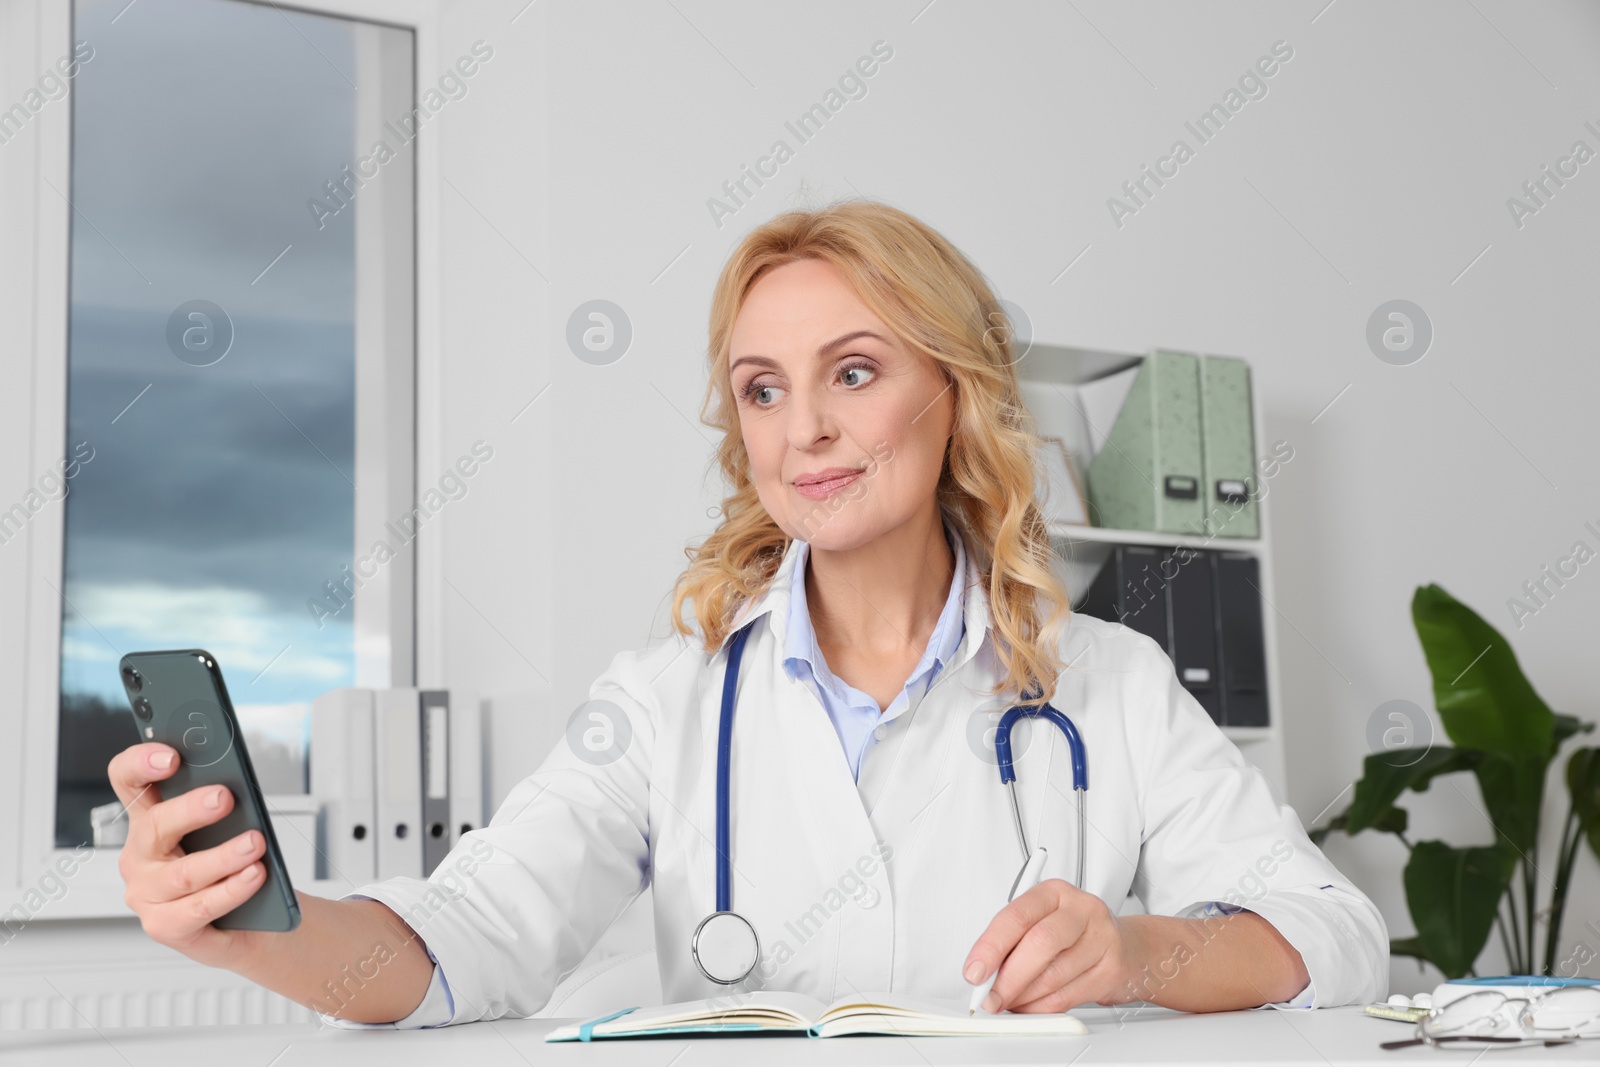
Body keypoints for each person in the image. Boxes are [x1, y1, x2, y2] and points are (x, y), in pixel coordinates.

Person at [108, 200, 1388, 1028]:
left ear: (957, 393)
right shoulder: (665, 696)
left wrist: (1133, 949)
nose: (806, 429)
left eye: (853, 370)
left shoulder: (1106, 680)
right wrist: (246, 923)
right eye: (762, 389)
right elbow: (466, 939)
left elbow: (1330, 935)